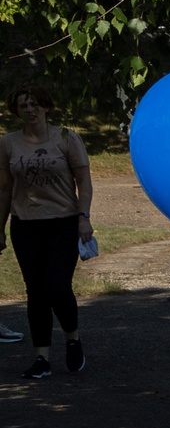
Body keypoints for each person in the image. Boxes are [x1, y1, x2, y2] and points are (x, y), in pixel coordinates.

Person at [3, 86, 93, 379]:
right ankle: (42, 358)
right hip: (25, 225)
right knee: (36, 292)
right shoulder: (8, 143)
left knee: (57, 285)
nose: (29, 110)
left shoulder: (66, 138)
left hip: (63, 222)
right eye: (23, 105)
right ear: (16, 111)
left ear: (46, 106)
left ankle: (72, 337)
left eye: (34, 104)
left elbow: (84, 181)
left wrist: (84, 217)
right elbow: (4, 188)